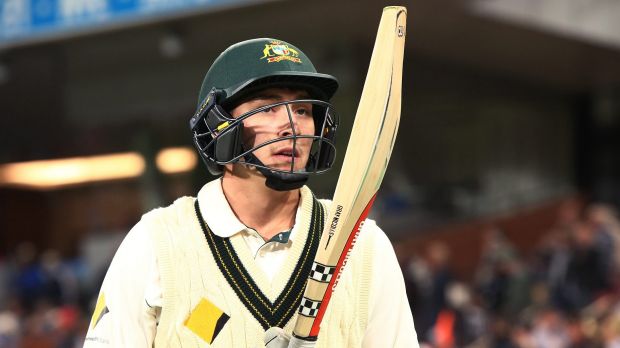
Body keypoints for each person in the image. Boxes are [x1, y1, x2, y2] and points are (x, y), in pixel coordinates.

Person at [84, 38, 418, 347]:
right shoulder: (155, 243)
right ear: (218, 126)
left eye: (303, 110)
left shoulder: (363, 244)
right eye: (268, 107)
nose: (292, 125)